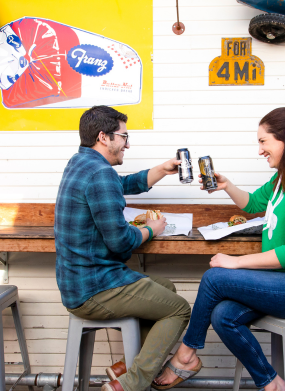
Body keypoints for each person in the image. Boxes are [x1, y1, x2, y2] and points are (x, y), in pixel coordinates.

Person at [153, 107, 285, 391]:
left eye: (263, 141)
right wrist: (228, 186)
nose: (259, 150)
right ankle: (270, 382)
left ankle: (185, 355)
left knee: (215, 278)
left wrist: (238, 262)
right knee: (223, 316)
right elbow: (255, 204)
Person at [54, 105, 191, 391]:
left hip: (80, 282)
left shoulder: (81, 163)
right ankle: (130, 384)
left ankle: (127, 364)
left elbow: (123, 183)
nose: (127, 144)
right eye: (123, 137)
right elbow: (121, 242)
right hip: (96, 288)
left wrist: (161, 170)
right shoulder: (99, 174)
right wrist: (151, 229)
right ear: (104, 137)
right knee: (178, 310)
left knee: (166, 288)